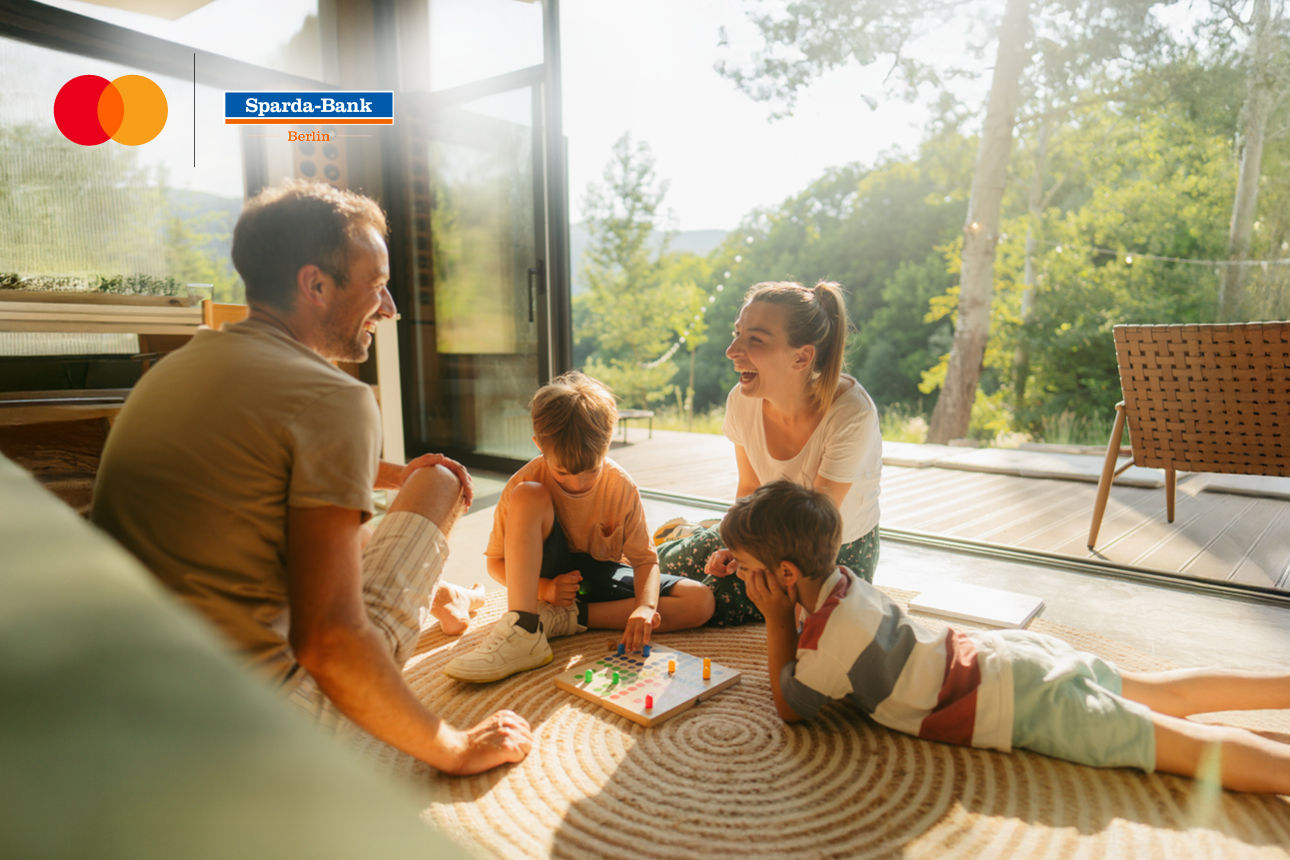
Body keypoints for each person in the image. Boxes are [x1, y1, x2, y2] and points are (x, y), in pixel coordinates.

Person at [91, 180, 530, 775]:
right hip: (254, 725)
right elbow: (331, 643)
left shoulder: (176, 369)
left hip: (131, 692)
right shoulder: (334, 399)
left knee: (377, 508)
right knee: (442, 483)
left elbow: (263, 459)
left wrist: (392, 473)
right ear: (315, 285)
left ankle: (435, 592)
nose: (389, 308)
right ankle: (435, 603)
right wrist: (455, 748)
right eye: (377, 286)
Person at [725, 480, 1290, 794]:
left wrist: (775, 620)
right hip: (1009, 657)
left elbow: (792, 706)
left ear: (787, 576)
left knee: (1187, 751)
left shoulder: (826, 639)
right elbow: (817, 631)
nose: (744, 573)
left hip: (1019, 703)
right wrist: (767, 582)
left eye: (749, 565)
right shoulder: (846, 584)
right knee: (1166, 693)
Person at [444, 371, 715, 682]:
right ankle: (524, 628)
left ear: (608, 442)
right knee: (528, 496)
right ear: (538, 446)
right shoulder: (523, 483)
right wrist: (544, 588)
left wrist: (643, 607)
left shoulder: (621, 485)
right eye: (563, 473)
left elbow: (645, 560)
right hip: (544, 581)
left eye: (590, 470)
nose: (579, 482)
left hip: (599, 577)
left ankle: (568, 620)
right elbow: (495, 563)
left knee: (701, 601)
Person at [657, 280, 882, 626]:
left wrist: (748, 558)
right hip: (766, 532)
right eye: (737, 334)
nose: (732, 350)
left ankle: (695, 533)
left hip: (826, 552)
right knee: (660, 566)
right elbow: (748, 488)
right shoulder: (741, 400)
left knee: (708, 599)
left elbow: (814, 527)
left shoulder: (851, 412)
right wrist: (733, 545)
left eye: (754, 340)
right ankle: (691, 536)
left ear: (802, 356)